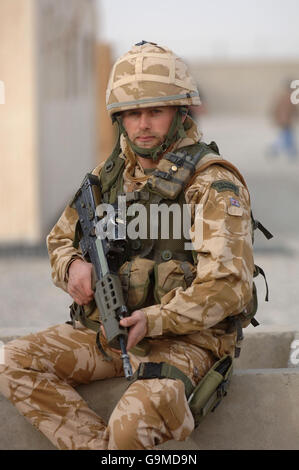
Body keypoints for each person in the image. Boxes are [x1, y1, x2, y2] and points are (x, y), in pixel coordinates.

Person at [0, 41, 254, 450]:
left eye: (156, 110)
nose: (143, 125)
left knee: (130, 427)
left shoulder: (210, 184)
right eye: (132, 113)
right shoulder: (111, 174)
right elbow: (60, 238)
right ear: (119, 118)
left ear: (180, 111)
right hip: (111, 333)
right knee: (13, 361)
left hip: (185, 343)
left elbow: (227, 287)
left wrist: (153, 320)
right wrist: (71, 267)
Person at [268, 80, 298, 160]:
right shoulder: (290, 97)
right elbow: (294, 110)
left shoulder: (281, 96)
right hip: (286, 121)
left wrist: (275, 118)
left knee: (285, 137)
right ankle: (275, 150)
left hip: (283, 121)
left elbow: (275, 109)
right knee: (286, 137)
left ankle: (290, 152)